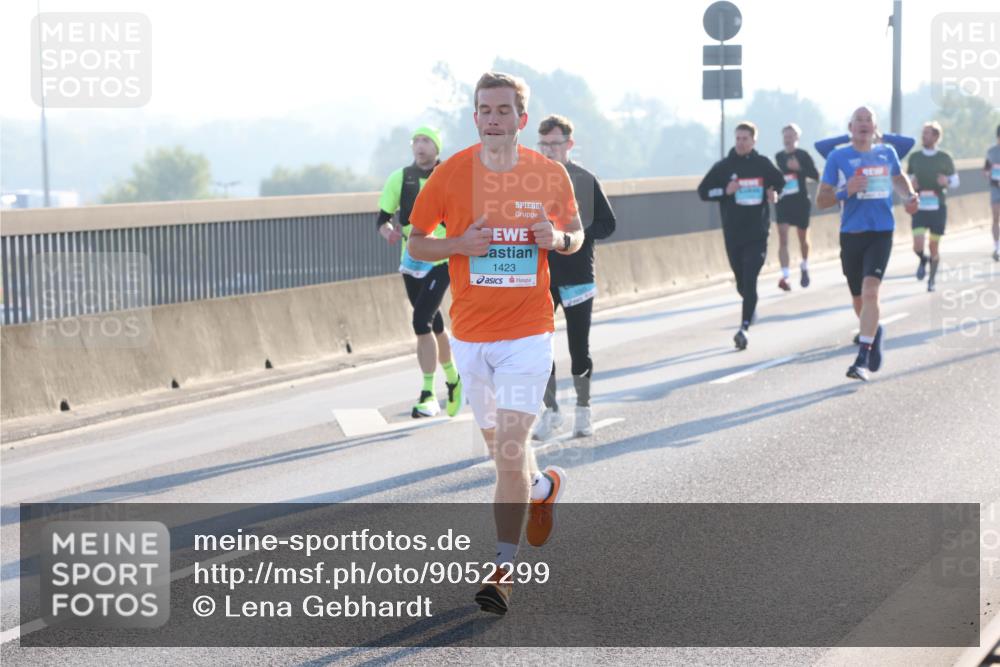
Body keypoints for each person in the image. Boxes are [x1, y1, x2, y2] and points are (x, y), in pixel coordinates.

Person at [407, 72, 585, 615]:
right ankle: (539, 487)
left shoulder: (548, 175)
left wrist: (555, 239)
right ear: (475, 117)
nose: (493, 118)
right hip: (470, 336)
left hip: (528, 332)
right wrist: (460, 242)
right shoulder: (451, 174)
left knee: (508, 449)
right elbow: (417, 242)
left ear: (521, 120)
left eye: (504, 110)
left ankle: (502, 570)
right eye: (484, 109)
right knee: (501, 456)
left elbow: (576, 234)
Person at [816, 106, 919, 381]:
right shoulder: (838, 157)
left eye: (868, 120)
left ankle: (861, 357)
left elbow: (897, 178)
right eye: (858, 120)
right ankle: (874, 330)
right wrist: (845, 191)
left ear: (875, 128)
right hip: (851, 234)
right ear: (850, 127)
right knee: (859, 298)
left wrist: (909, 197)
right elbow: (821, 200)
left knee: (871, 292)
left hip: (881, 232)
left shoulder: (887, 153)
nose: (863, 124)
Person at [532, 114, 617, 441]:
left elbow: (609, 224)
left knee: (579, 349)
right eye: (543, 144)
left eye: (554, 144)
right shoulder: (530, 181)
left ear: (569, 144)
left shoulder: (584, 179)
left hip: (578, 275)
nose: (549, 150)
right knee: (539, 350)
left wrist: (574, 233)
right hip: (542, 277)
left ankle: (583, 410)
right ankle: (551, 411)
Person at [376, 127, 463, 418]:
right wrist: (387, 231)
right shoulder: (401, 178)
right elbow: (383, 218)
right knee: (434, 324)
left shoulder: (451, 175)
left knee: (420, 320)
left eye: (426, 141)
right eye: (416, 141)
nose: (420, 146)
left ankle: (427, 393)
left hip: (444, 258)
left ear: (437, 147)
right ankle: (453, 377)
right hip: (412, 260)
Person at [697, 121, 784, 350]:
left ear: (754, 141)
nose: (741, 142)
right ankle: (750, 305)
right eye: (738, 138)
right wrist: (725, 192)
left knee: (751, 278)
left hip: (758, 232)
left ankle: (743, 328)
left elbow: (779, 183)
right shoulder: (724, 167)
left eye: (745, 139)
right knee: (741, 283)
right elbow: (703, 192)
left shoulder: (762, 164)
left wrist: (774, 193)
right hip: (733, 233)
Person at [907, 121, 958, 292]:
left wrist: (947, 181)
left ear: (936, 136)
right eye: (923, 133)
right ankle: (922, 259)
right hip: (920, 207)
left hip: (938, 208)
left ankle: (932, 279)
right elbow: (907, 179)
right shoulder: (915, 157)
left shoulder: (944, 157)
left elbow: (956, 181)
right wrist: (911, 184)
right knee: (918, 245)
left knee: (933, 246)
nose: (924, 136)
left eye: (927, 133)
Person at [774, 123, 820, 290]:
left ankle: (804, 265)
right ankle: (785, 276)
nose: (788, 139)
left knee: (803, 238)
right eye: (785, 136)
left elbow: (816, 176)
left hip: (800, 201)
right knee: (783, 237)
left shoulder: (803, 155)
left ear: (797, 138)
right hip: (784, 201)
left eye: (791, 136)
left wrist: (799, 168)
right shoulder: (778, 157)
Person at [815, 131, 915, 161]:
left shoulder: (886, 157)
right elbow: (820, 146)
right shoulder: (844, 157)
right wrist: (848, 137)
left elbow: (909, 142)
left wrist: (883, 136)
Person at [984, 124, 1000, 262]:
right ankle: (997, 248)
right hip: (996, 189)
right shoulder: (991, 152)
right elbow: (986, 168)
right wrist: (989, 175)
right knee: (996, 218)